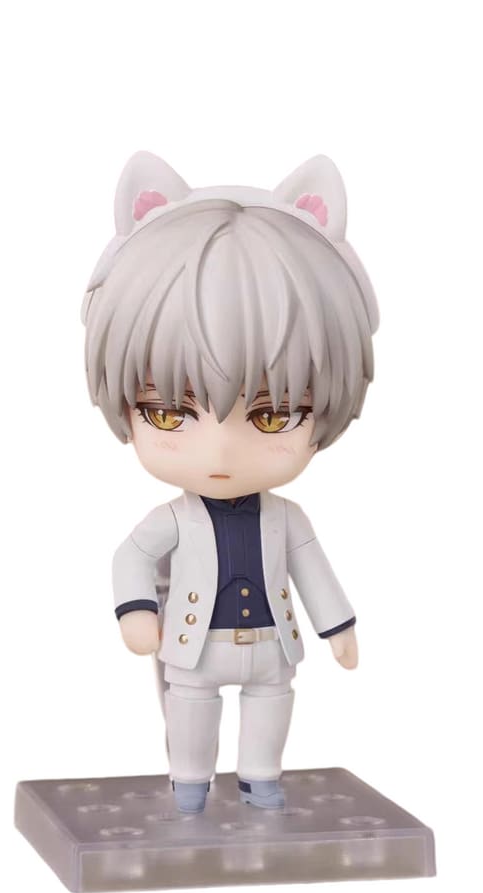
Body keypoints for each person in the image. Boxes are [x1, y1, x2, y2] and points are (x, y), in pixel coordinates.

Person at [81, 151, 379, 813]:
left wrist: (337, 626)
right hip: (195, 649)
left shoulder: (287, 518)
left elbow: (313, 570)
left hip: (273, 648)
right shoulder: (174, 520)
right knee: (191, 717)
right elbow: (131, 557)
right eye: (169, 413)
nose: (220, 450)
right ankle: (190, 788)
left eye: (272, 415)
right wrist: (137, 611)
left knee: (272, 710)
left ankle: (261, 782)